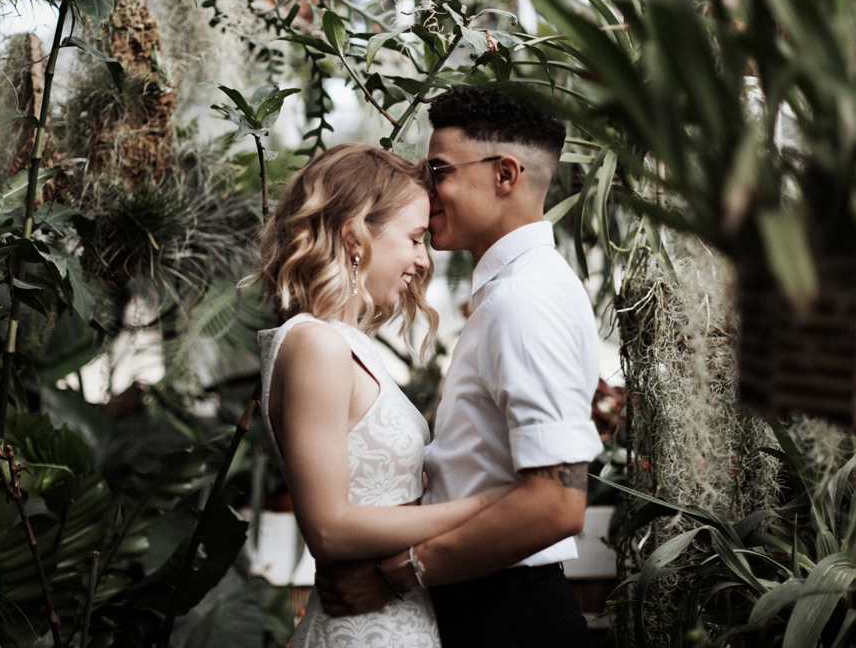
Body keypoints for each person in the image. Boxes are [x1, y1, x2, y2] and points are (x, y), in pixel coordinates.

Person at [315, 86, 603, 648]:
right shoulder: (519, 291)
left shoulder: (526, 300)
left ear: (505, 175)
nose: (425, 188)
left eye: (439, 169)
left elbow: (558, 501)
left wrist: (398, 575)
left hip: (508, 614)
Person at [255, 143, 512, 648]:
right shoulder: (315, 344)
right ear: (356, 234)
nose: (423, 259)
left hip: (399, 621)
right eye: (415, 238)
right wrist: (489, 506)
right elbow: (328, 528)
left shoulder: (349, 344)